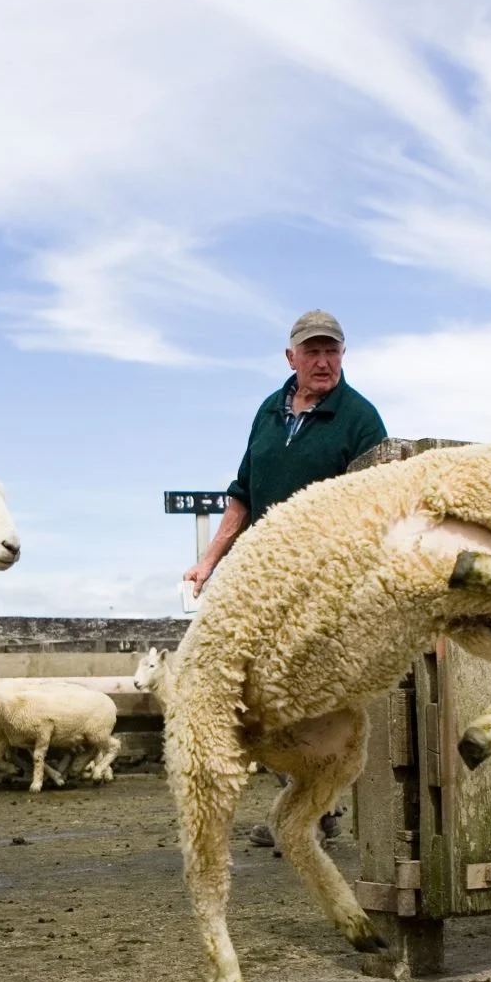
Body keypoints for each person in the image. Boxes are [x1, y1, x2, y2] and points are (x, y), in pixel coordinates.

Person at [183, 309, 388, 845]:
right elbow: (243, 492)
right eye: (312, 351)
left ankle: (314, 811)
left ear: (344, 355)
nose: (323, 361)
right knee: (256, 695)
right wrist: (210, 560)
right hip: (262, 579)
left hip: (324, 583)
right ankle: (310, 808)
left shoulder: (361, 419)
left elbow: (377, 507)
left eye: (332, 351)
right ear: (291, 357)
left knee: (305, 695)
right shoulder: (268, 413)